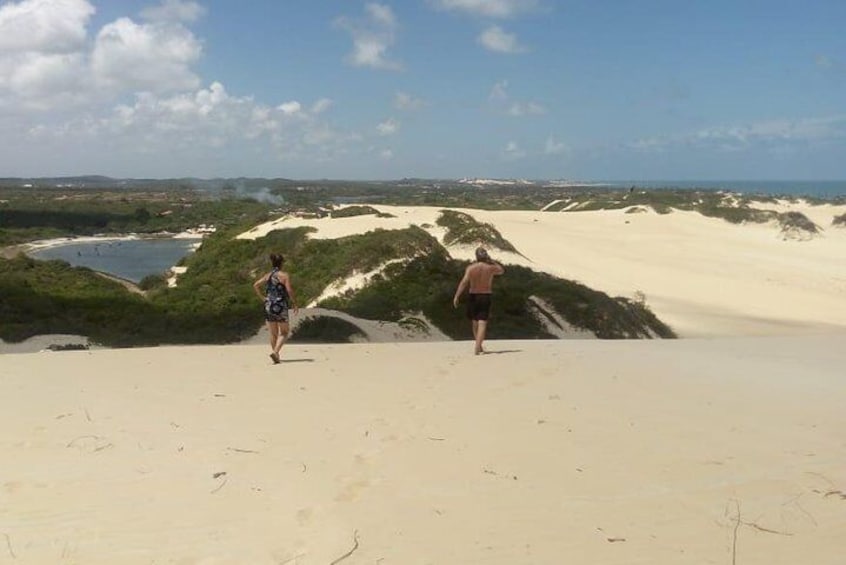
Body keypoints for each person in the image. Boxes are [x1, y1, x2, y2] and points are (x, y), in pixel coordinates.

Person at [452, 247, 505, 355]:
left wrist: (457, 296)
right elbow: (501, 270)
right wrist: (492, 261)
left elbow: (464, 282)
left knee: (475, 321)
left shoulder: (471, 268)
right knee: (482, 322)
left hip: (473, 295)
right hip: (485, 295)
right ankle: (477, 346)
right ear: (485, 256)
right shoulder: (490, 267)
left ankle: (478, 344)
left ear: (476, 256)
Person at [253, 253, 298, 364]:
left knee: (273, 333)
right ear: (282, 263)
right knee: (284, 332)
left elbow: (256, 285)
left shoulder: (268, 275)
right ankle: (276, 352)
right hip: (280, 305)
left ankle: (275, 355)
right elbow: (289, 290)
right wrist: (295, 302)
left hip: (269, 305)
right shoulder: (284, 275)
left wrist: (263, 298)